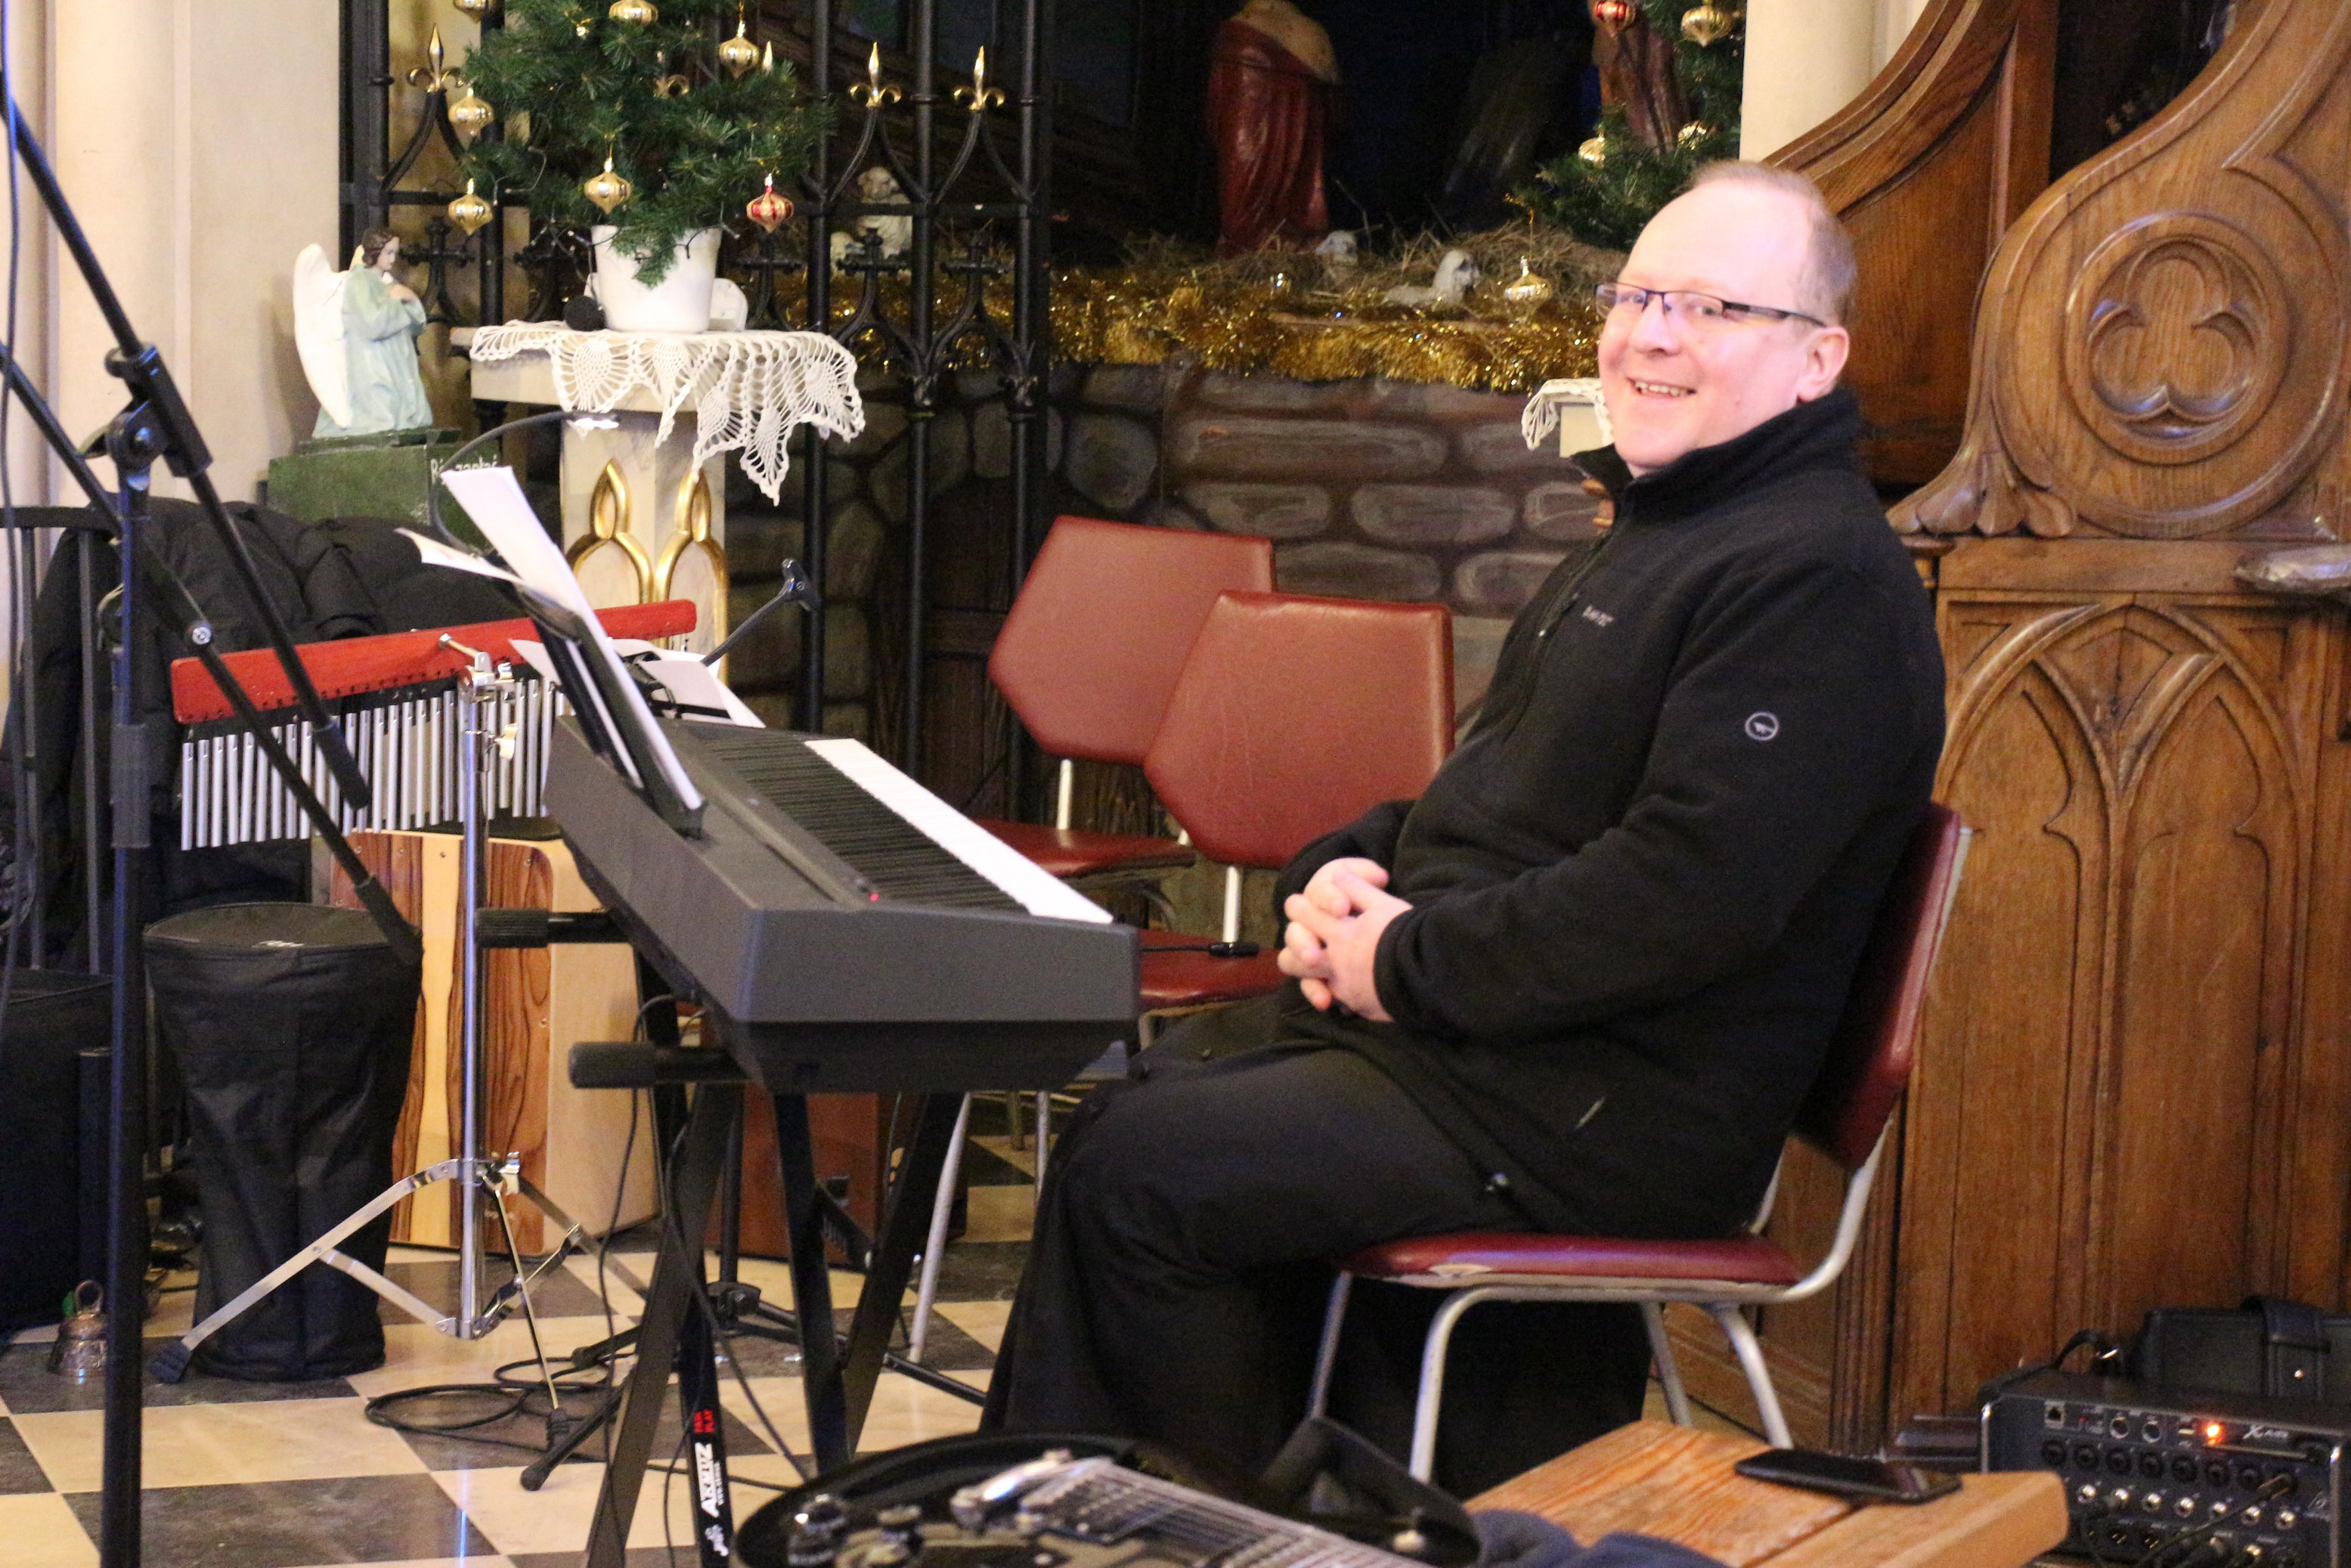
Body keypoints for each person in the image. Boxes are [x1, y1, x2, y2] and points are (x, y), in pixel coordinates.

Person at [981, 162, 1946, 1495]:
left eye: (1712, 309)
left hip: (1599, 1111)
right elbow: (1494, 793)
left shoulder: (1811, 578)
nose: (1652, 336)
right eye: (1637, 298)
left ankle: (1223, 1534)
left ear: (1814, 361)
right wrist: (1343, 871)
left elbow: (1680, 896)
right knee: (1145, 1105)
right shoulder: (1666, 526)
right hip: (1499, 1054)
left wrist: (1402, 961)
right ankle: (1161, 1516)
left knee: (1146, 1175)